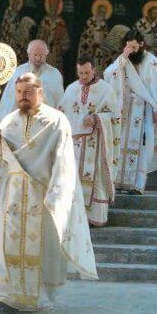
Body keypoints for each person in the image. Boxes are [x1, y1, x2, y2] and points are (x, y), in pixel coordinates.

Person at [0, 73, 98, 314]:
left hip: (42, 193)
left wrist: (58, 193)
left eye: (28, 91)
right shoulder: (8, 121)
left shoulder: (56, 120)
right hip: (13, 194)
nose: (22, 96)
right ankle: (6, 297)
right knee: (4, 243)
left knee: (42, 247)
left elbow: (64, 160)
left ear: (40, 92)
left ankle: (37, 297)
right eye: (18, 92)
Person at [104, 30, 157, 194]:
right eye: (128, 47)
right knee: (121, 145)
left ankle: (138, 185)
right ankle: (120, 182)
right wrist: (122, 58)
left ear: (141, 44)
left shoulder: (152, 62)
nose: (132, 50)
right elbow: (108, 75)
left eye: (134, 47)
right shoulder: (123, 61)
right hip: (125, 109)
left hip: (145, 111)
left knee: (144, 147)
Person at [60, 58, 119, 226]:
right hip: (75, 145)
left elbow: (115, 116)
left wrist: (96, 118)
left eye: (87, 72)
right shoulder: (71, 89)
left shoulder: (106, 90)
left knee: (97, 178)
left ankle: (95, 218)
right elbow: (62, 113)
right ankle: (76, 219)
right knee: (74, 179)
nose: (84, 76)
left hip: (97, 143)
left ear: (94, 70)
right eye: (80, 73)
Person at [0, 39, 64, 121]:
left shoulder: (54, 75)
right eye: (35, 55)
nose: (38, 58)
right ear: (28, 54)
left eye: (41, 55)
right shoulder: (18, 73)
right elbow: (8, 104)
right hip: (21, 124)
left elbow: (61, 104)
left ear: (46, 55)